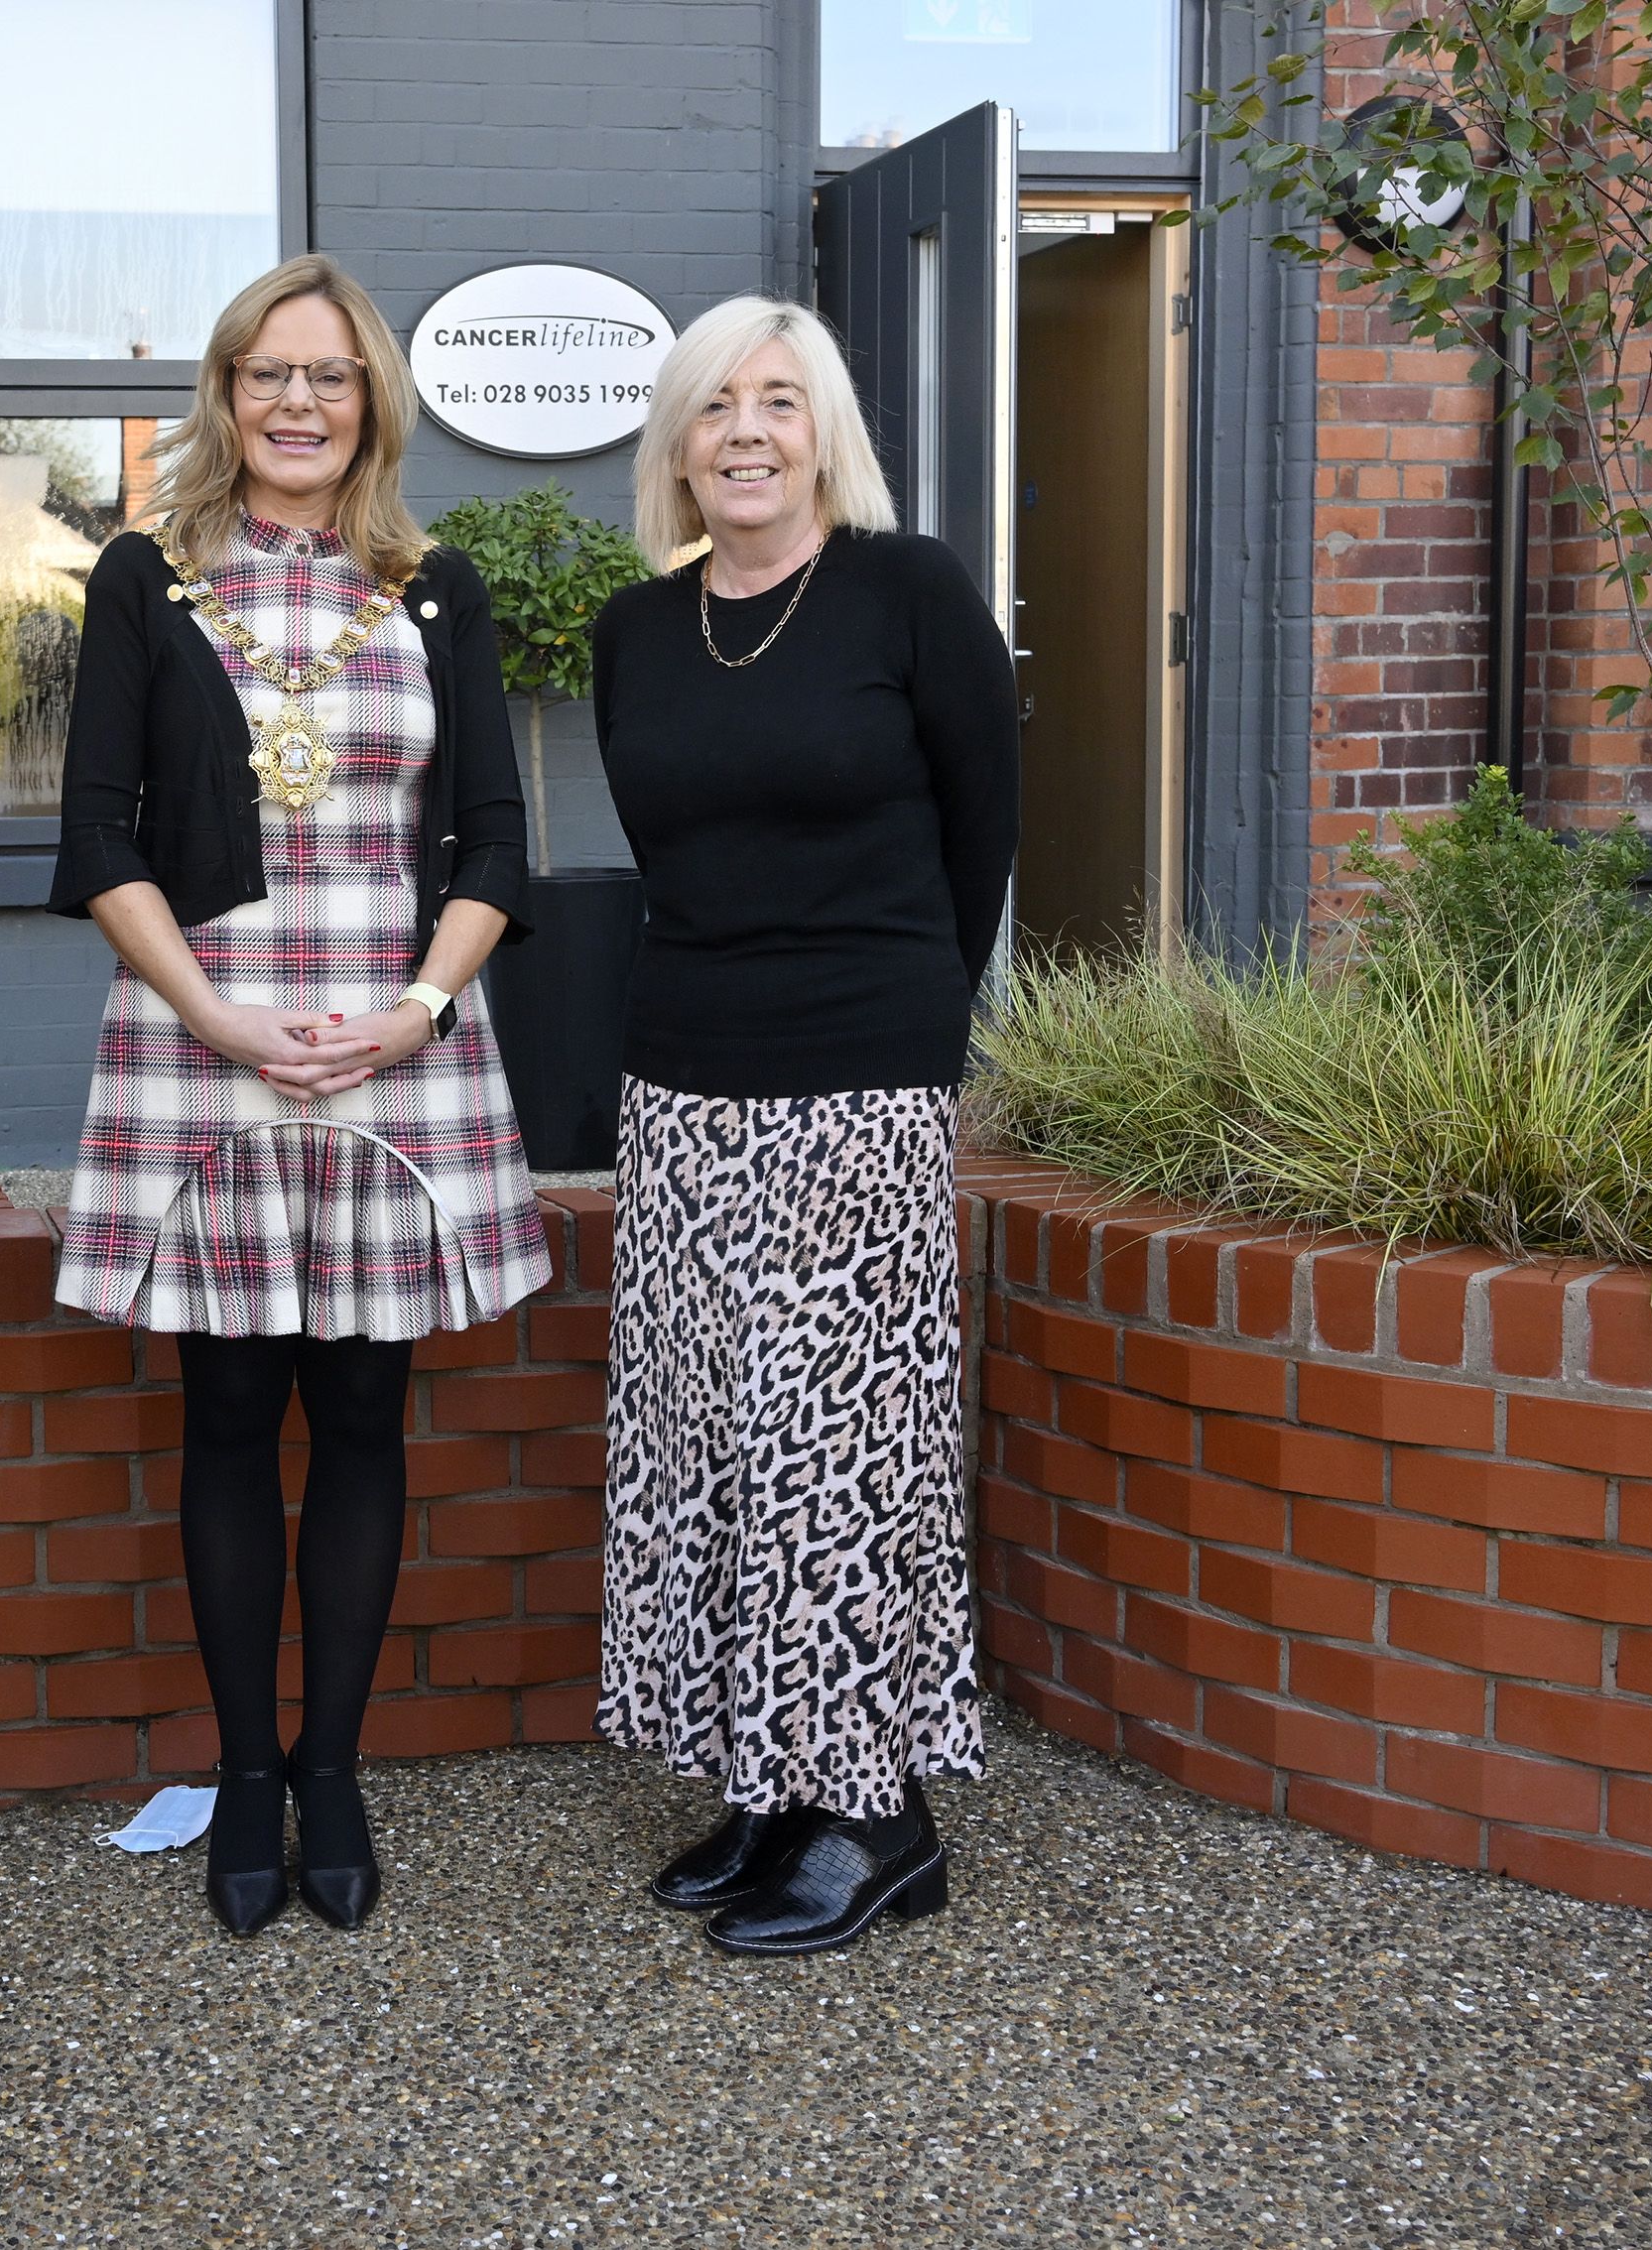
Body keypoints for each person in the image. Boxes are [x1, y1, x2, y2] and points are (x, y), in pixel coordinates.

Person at [48, 255, 551, 1938]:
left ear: (372, 403)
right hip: (208, 1058)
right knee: (224, 1417)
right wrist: (219, 1019)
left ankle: (332, 1769)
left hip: (400, 1059)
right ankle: (246, 1778)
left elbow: (494, 841)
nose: (296, 403)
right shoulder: (147, 580)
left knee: (358, 1422)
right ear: (223, 391)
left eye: (329, 377)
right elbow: (101, 836)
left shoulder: (433, 588)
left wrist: (415, 1010)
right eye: (268, 373)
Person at [589, 296, 1019, 1958]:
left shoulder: (911, 594)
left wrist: (915, 1040)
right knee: (707, 1438)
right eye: (714, 407)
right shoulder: (642, 628)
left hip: (856, 1080)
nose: (746, 431)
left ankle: (880, 1817)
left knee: (838, 1448)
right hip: (683, 1075)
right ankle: (773, 1781)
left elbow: (983, 837)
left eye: (778, 401)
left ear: (824, 428)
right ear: (679, 443)